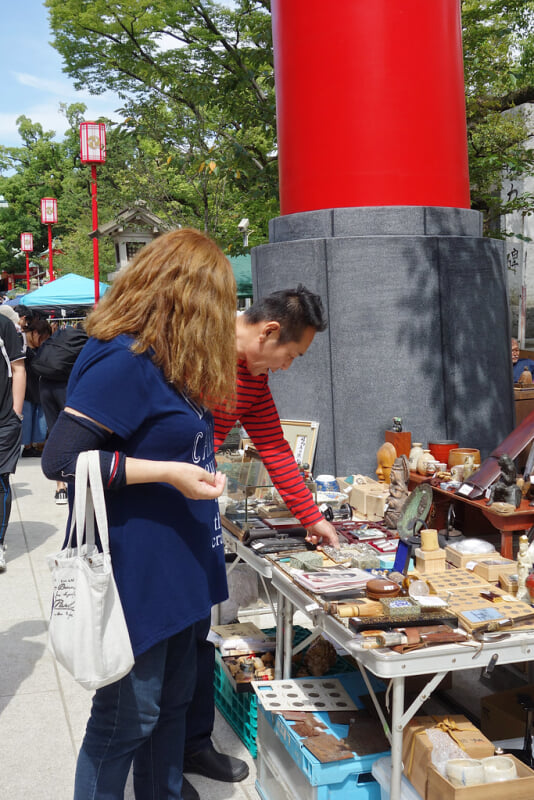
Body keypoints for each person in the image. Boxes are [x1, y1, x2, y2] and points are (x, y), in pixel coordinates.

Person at [41, 228, 237, 800]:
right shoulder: (126, 360)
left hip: (177, 565)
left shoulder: (169, 361)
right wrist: (168, 473)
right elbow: (61, 459)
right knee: (127, 717)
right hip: (136, 570)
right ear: (189, 296)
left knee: (170, 705)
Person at [182, 286, 339, 799]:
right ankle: (159, 762)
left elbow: (272, 444)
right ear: (269, 331)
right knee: (165, 650)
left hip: (199, 509)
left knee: (199, 634)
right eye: (292, 355)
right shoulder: (193, 347)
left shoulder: (254, 377)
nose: (289, 366)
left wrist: (312, 518)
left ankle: (194, 742)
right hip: (160, 512)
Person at [0, 311, 26, 572]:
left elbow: (18, 368)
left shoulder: (3, 325)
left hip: (4, 419)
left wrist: (16, 412)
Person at [20, 318, 52, 457]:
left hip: (37, 387)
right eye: (42, 338)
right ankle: (28, 446)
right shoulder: (21, 345)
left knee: (38, 417)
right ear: (35, 333)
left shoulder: (37, 348)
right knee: (27, 418)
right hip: (26, 388)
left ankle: (35, 445)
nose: (43, 341)